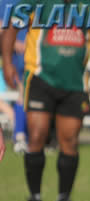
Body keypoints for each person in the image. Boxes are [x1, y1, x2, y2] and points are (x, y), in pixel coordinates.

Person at [2, 0, 90, 201]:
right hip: (40, 79)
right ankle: (34, 200)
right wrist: (7, 63)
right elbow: (11, 26)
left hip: (75, 84)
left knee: (70, 142)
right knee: (36, 137)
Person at [0, 0, 28, 154]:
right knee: (24, 92)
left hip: (38, 55)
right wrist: (13, 42)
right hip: (19, 57)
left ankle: (23, 135)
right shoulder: (6, 2)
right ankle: (20, 135)